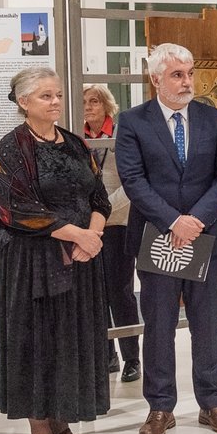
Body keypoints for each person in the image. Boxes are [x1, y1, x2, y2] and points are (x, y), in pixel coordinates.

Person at [115, 43, 217, 434]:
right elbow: (133, 180)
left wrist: (195, 220)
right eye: (177, 75)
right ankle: (160, 407)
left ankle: (211, 402)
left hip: (204, 238)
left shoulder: (212, 119)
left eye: (189, 73)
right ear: (156, 79)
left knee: (207, 325)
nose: (187, 82)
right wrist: (173, 221)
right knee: (159, 326)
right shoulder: (132, 121)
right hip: (157, 238)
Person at [0, 66, 112, 434]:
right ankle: (40, 432)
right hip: (32, 262)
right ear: (24, 102)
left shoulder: (75, 143)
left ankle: (62, 423)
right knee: (37, 342)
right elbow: (15, 209)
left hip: (80, 257)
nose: (56, 101)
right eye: (46, 96)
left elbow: (100, 197)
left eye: (57, 94)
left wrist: (92, 235)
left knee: (69, 340)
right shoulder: (11, 147)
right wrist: (78, 236)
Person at [83, 83, 141, 383]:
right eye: (83, 102)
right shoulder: (77, 137)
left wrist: (103, 213)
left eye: (94, 101)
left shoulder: (121, 135)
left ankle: (132, 357)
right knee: (95, 293)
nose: (88, 107)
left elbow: (131, 183)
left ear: (106, 104)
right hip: (87, 229)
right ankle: (107, 355)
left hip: (117, 223)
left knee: (120, 293)